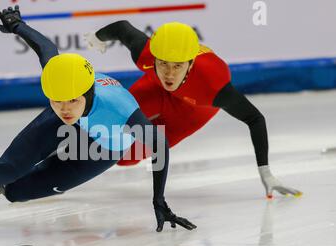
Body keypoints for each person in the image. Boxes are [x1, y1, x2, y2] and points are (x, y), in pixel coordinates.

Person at [0, 6, 197, 233]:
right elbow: (46, 48)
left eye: (72, 101)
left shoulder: (120, 111)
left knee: (16, 192)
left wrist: (158, 200)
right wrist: (18, 25)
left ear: (88, 92)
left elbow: (159, 144)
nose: (65, 108)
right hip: (68, 125)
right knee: (7, 168)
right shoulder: (62, 85)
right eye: (57, 100)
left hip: (104, 147)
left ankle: (4, 188)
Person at [85, 21, 302, 199]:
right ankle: (62, 150)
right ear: (155, 59)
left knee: (125, 157)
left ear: (190, 64)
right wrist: (97, 37)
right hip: (155, 88)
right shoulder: (146, 56)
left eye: (177, 66)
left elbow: (255, 119)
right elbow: (122, 28)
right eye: (164, 64)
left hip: (193, 110)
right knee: (111, 120)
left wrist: (266, 171)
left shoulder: (213, 86)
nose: (169, 74)